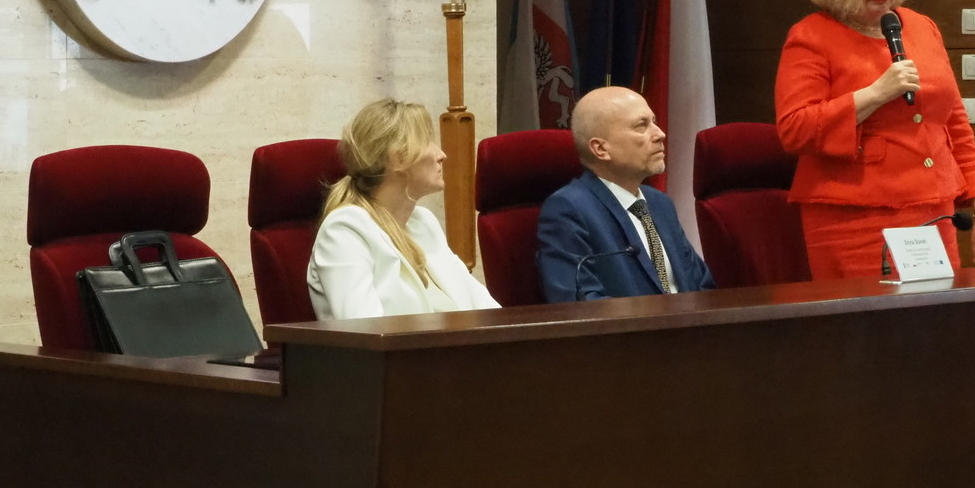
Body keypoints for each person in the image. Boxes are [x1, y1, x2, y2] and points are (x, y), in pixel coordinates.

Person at [775, 0, 975, 280]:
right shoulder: (811, 36)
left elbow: (955, 124)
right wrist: (875, 93)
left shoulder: (922, 27)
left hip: (933, 212)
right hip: (853, 219)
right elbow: (795, 130)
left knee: (939, 313)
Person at [307, 98, 499, 320]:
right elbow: (363, 329)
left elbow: (486, 308)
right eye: (427, 142)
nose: (441, 155)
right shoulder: (344, 230)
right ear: (397, 159)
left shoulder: (423, 222)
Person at [537, 86, 716, 302]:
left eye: (654, 122)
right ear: (601, 149)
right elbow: (578, 303)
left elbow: (702, 285)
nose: (660, 134)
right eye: (641, 125)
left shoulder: (659, 203)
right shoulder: (568, 210)